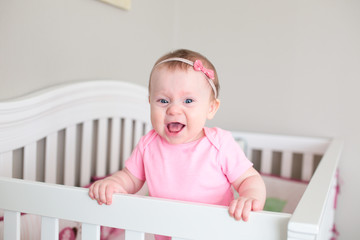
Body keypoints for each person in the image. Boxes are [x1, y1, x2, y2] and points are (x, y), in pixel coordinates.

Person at [89, 49, 266, 239]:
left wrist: (250, 197)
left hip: (215, 233)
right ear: (150, 103)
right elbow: (130, 178)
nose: (173, 109)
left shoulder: (219, 144)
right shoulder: (148, 145)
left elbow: (248, 179)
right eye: (163, 101)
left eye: (188, 100)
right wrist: (113, 184)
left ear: (211, 108)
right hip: (167, 233)